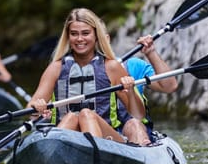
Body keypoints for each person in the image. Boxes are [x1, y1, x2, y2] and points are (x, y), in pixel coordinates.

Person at [27, 8, 151, 145]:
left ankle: (95, 154)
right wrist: (37, 108)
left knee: (86, 114)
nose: (79, 39)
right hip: (68, 137)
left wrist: (132, 91)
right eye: (74, 34)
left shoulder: (111, 67)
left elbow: (138, 115)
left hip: (108, 140)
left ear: (96, 35)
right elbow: (31, 111)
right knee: (71, 117)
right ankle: (53, 151)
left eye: (85, 33)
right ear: (68, 37)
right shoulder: (55, 68)